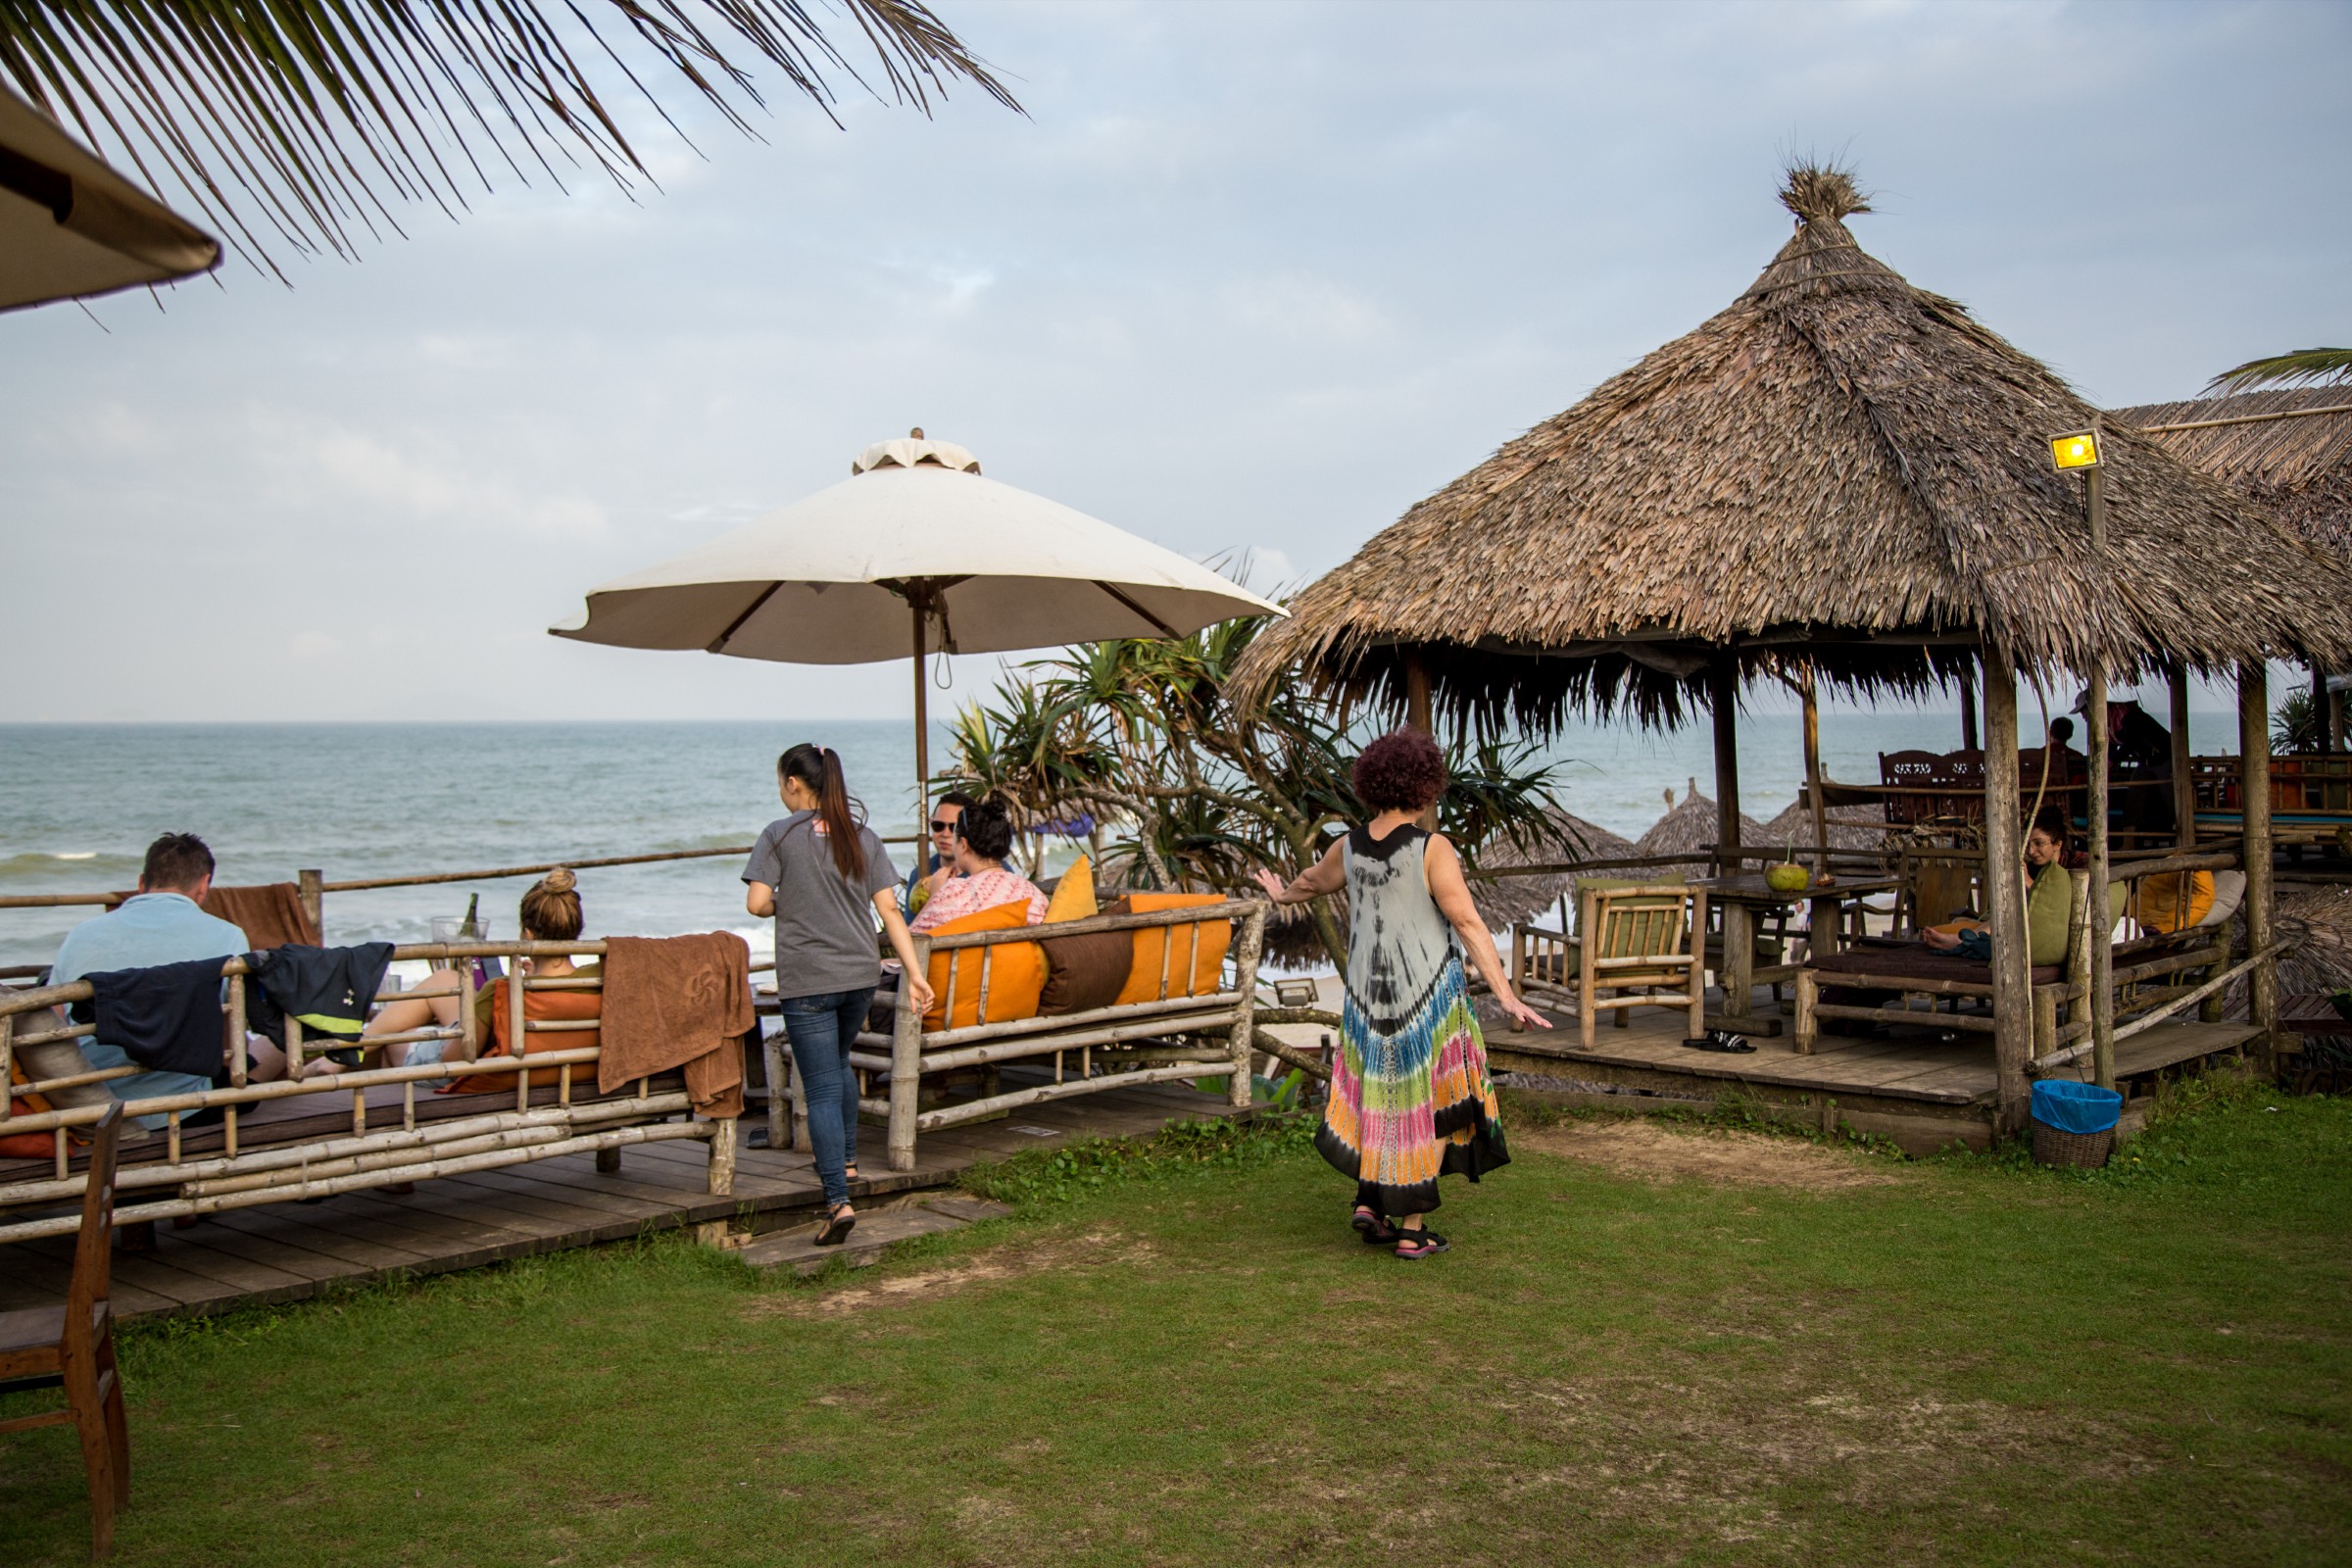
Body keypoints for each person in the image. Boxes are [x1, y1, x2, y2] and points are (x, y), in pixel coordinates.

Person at [1254, 728, 1548, 1261]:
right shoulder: (1432, 848)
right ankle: (1412, 1228)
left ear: (1373, 783)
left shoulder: (1349, 845)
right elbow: (1466, 921)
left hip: (1368, 1003)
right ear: (1424, 786)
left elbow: (1312, 883)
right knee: (1447, 1103)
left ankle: (1371, 1200)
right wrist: (1505, 994)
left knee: (1381, 1099)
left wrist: (1281, 894)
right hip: (1428, 1002)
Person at [745, 744, 933, 1248]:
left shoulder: (778, 834)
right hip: (859, 977)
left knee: (823, 1084)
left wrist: (789, 901)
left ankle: (837, 1201)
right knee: (838, 1065)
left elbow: (757, 903)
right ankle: (847, 1164)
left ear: (792, 783)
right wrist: (914, 975)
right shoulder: (861, 836)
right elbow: (891, 911)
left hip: (808, 981)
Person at [47, 833, 254, 1127]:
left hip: (95, 1101)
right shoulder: (228, 935)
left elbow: (55, 1019)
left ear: (142, 882)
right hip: (183, 1110)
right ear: (204, 884)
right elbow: (233, 1030)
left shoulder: (82, 934)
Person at [357, 869, 595, 1075]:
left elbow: (454, 1061)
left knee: (396, 1041)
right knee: (444, 980)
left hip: (491, 1066)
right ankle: (341, 1057)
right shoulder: (595, 979)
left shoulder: (501, 990)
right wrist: (533, 978)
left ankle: (343, 1059)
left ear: (528, 935)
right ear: (576, 930)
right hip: (557, 1063)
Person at [1921, 808, 2074, 967]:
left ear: (2057, 844)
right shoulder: (2034, 866)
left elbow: (2055, 905)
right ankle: (1965, 940)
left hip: (2052, 933)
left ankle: (1961, 942)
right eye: (2028, 844)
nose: (2031, 851)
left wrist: (2026, 880)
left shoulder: (2077, 865)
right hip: (2018, 926)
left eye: (2038, 843)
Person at [909, 798, 1048, 933]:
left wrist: (935, 896)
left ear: (963, 845)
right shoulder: (1031, 892)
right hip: (1019, 956)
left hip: (969, 957)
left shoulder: (953, 892)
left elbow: (912, 943)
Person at [904, 791, 977, 920]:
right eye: (938, 826)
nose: (945, 833)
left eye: (953, 828)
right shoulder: (920, 874)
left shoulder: (990, 873)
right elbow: (911, 931)